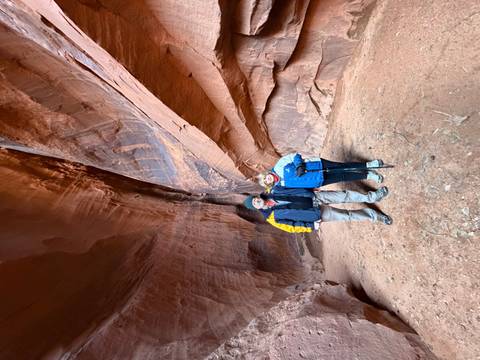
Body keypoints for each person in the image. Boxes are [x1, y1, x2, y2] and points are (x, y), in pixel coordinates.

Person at [243, 186, 392, 233]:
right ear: (256, 208)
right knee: (347, 216)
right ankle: (374, 216)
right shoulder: (272, 218)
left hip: (313, 197)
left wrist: (309, 188)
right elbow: (292, 227)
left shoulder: (273, 190)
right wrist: (310, 227)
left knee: (344, 196)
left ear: (257, 196)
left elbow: (292, 186)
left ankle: (372, 197)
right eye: (254, 203)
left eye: (255, 199)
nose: (257, 201)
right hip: (314, 214)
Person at [258, 152, 384, 190]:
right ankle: (368, 175)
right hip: (317, 181)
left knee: (341, 166)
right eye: (266, 181)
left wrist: (299, 166)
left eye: (266, 177)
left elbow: (294, 156)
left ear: (267, 173)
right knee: (343, 177)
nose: (268, 179)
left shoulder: (279, 166)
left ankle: (369, 165)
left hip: (316, 165)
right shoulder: (281, 185)